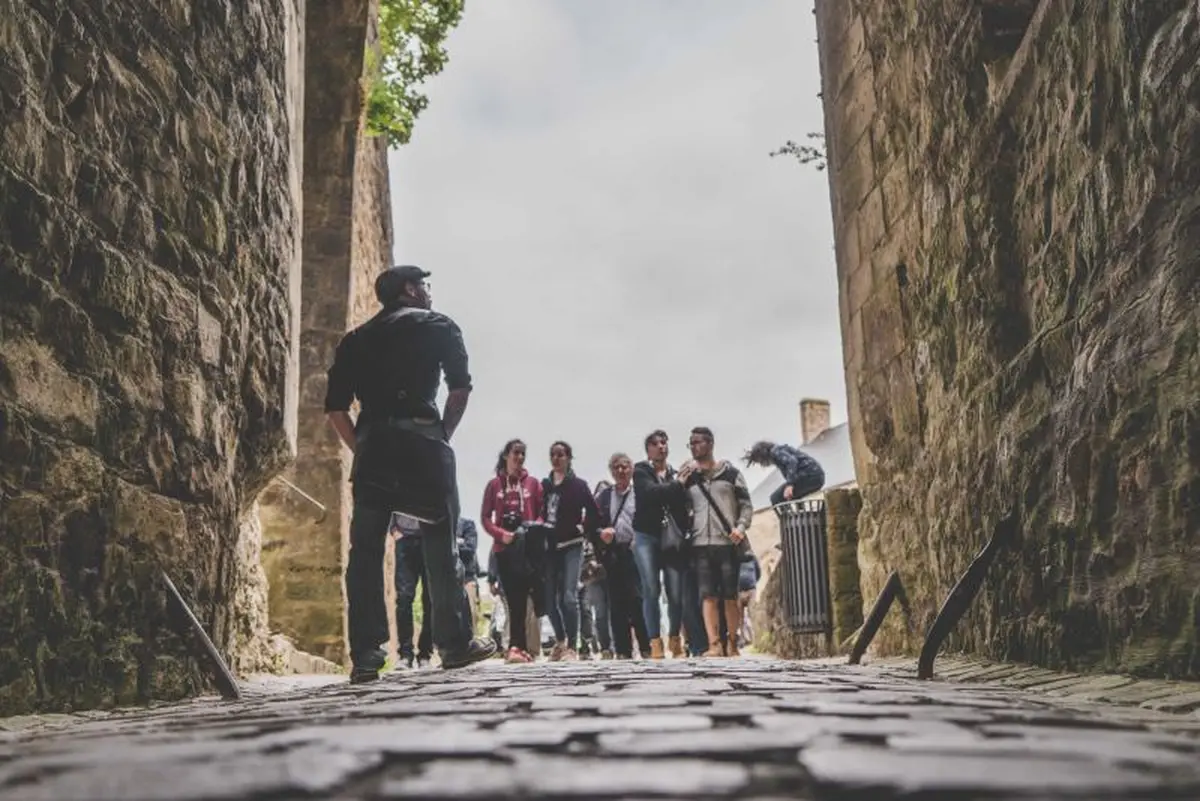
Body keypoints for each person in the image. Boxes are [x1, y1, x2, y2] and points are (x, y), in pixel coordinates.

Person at [325, 264, 496, 682]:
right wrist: (442, 437)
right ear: (409, 290)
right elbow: (459, 389)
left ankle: (366, 654)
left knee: (364, 550)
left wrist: (361, 448)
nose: (428, 291)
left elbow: (335, 408)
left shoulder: (355, 340)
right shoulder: (438, 325)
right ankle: (454, 645)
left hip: (375, 448)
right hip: (423, 443)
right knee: (440, 544)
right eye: (424, 284)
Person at [631, 430, 707, 659]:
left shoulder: (676, 472)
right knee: (651, 589)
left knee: (675, 593)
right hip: (646, 536)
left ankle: (675, 639)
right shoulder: (641, 471)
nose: (661, 446)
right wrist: (677, 485)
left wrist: (682, 482)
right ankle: (655, 643)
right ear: (648, 450)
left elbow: (683, 502)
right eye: (655, 443)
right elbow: (649, 494)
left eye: (664, 443)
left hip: (673, 537)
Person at [679, 426, 754, 657]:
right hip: (700, 544)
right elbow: (680, 509)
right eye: (690, 443)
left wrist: (741, 527)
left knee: (730, 596)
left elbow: (746, 505)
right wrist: (679, 484)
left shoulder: (731, 474)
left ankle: (732, 643)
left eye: (698, 442)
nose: (693, 447)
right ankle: (714, 645)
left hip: (727, 542)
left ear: (710, 444)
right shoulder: (689, 478)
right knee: (707, 594)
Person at [480, 439, 544, 663]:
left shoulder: (533, 484)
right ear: (506, 455)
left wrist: (531, 529)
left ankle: (526, 648)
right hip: (504, 549)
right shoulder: (494, 485)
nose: (519, 458)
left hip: (527, 549)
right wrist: (501, 534)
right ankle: (514, 647)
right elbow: (485, 518)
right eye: (515, 453)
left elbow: (542, 513)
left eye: (523, 454)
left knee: (530, 599)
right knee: (513, 599)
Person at [541, 441, 600, 661]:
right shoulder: (544, 485)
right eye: (552, 454)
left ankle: (573, 647)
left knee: (568, 596)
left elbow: (594, 511)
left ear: (568, 458)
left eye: (560, 455)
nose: (556, 459)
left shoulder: (579, 485)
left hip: (572, 545)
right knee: (548, 600)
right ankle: (560, 640)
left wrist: (584, 527)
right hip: (550, 548)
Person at [595, 452, 651, 659]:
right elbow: (591, 524)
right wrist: (601, 534)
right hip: (613, 553)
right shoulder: (603, 497)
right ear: (611, 471)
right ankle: (623, 649)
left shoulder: (640, 493)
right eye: (616, 467)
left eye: (625, 467)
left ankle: (646, 646)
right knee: (616, 603)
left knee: (638, 599)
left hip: (636, 551)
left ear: (631, 469)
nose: (621, 471)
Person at [743, 440, 826, 507]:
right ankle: (800, 519)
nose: (762, 464)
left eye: (760, 461)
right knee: (790, 497)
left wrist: (790, 484)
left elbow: (792, 461)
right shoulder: (780, 451)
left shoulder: (775, 451)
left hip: (810, 475)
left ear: (763, 455)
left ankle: (791, 521)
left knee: (775, 498)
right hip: (817, 477)